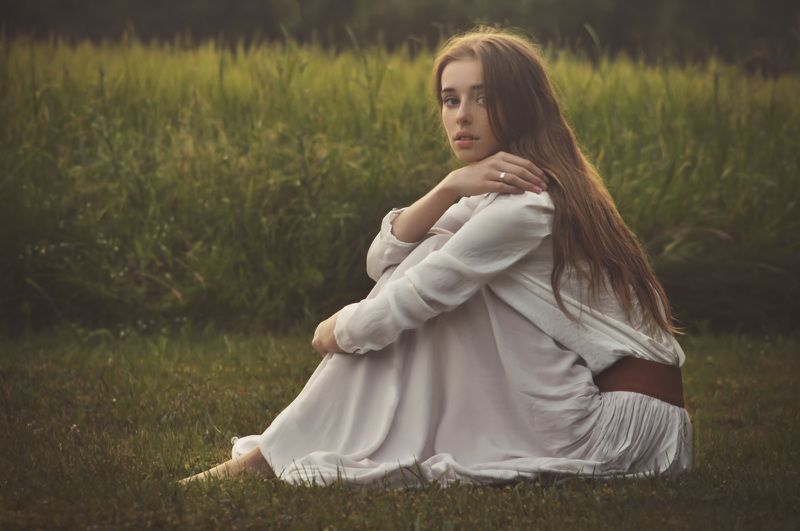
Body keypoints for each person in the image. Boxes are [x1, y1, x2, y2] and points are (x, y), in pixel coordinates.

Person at [179, 27, 691, 487]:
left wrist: (339, 329)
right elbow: (383, 260)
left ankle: (269, 457)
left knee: (443, 287)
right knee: (434, 258)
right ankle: (274, 453)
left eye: (483, 99)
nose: (462, 116)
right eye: (450, 100)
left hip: (619, 425)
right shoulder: (497, 189)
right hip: (584, 401)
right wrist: (447, 188)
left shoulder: (530, 201)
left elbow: (413, 296)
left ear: (523, 106)